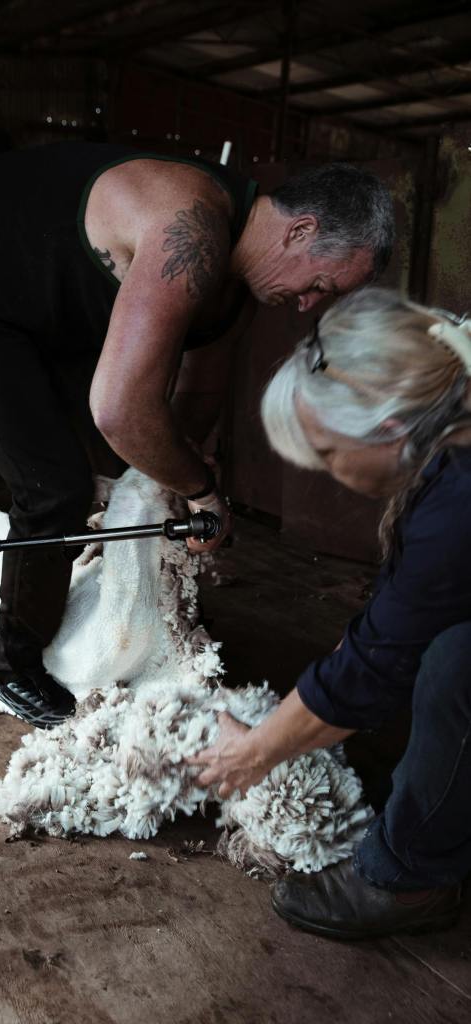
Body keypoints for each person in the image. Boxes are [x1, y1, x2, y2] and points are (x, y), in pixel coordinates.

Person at [0, 143, 393, 728]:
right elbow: (121, 411)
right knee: (54, 484)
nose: (307, 305)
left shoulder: (237, 290)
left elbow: (197, 395)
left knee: (112, 469)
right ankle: (11, 664)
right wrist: (201, 490)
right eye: (321, 284)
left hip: (43, 300)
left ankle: (85, 600)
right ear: (301, 231)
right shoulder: (193, 229)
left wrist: (166, 479)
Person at [190, 287, 470, 939]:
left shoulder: (458, 502)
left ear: (390, 426)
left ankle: (407, 881)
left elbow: (377, 664)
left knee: (454, 664)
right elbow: (397, 619)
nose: (324, 468)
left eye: (327, 451)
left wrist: (254, 752)